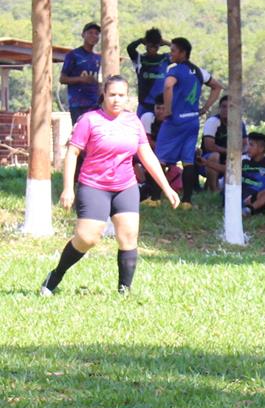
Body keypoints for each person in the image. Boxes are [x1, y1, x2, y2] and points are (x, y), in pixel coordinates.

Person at [40, 76, 180, 296]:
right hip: (94, 185)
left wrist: (166, 188)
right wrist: (68, 188)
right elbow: (72, 154)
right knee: (88, 238)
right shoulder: (89, 120)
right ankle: (54, 277)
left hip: (125, 186)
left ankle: (124, 291)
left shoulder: (133, 121)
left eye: (121, 95)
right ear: (104, 94)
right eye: (112, 94)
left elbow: (146, 155)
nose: (116, 99)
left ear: (128, 97)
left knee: (128, 237)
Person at [151, 37, 223, 208]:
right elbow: (217, 86)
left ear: (183, 53)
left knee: (160, 157)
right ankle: (187, 201)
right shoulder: (199, 71)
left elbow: (168, 86)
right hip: (192, 121)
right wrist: (205, 107)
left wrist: (167, 109)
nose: (170, 54)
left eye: (173, 51)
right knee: (188, 160)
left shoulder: (175, 70)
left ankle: (154, 198)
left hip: (174, 121)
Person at [199, 132, 265, 215]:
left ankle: (248, 210)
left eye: (251, 145)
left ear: (261, 148)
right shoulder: (245, 162)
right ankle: (244, 208)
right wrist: (207, 163)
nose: (248, 148)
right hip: (240, 194)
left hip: (256, 196)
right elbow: (227, 170)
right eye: (248, 145)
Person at [200, 95, 248, 192]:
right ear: (219, 108)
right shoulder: (213, 122)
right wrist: (230, 152)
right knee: (215, 156)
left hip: (230, 158)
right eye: (223, 106)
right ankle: (214, 190)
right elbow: (209, 146)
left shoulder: (239, 124)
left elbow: (245, 144)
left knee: (245, 159)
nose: (226, 110)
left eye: (230, 107)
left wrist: (239, 153)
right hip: (207, 159)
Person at [60, 22, 101, 125]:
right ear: (83, 35)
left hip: (94, 103)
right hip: (78, 103)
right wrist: (81, 79)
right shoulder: (74, 55)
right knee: (79, 132)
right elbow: (62, 79)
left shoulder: (97, 58)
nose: (93, 36)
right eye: (90, 33)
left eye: (96, 33)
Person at [126, 27, 171, 117]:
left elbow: (180, 52)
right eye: (150, 45)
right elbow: (130, 48)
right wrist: (140, 40)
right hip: (144, 105)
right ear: (146, 45)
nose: (153, 48)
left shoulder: (165, 59)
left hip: (161, 106)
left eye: (156, 46)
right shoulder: (139, 59)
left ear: (159, 45)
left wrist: (166, 43)